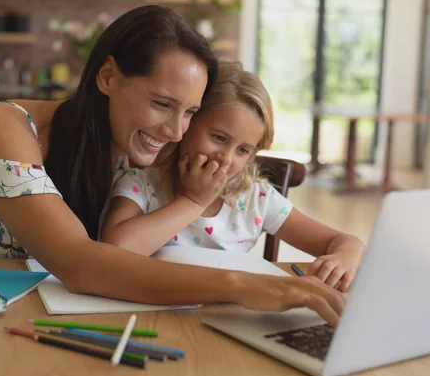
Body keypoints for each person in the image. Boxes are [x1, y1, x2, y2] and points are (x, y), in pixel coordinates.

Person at [0, 6, 344, 325]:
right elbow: (81, 264)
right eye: (162, 103)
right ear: (107, 76)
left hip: (23, 306)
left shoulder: (142, 149)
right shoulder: (7, 127)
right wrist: (241, 284)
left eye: (189, 113)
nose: (176, 132)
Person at [102, 61, 364, 292]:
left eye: (242, 150)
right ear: (188, 122)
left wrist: (345, 256)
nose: (225, 159)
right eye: (218, 138)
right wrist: (194, 200)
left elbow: (343, 241)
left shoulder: (256, 200)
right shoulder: (143, 182)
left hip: (227, 314)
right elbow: (114, 250)